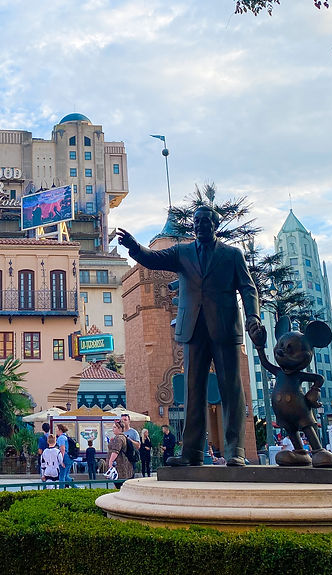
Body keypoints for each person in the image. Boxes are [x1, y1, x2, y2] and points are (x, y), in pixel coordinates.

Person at [118, 207, 261, 466]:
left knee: (231, 390)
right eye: (196, 222)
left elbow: (248, 288)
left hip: (225, 328)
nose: (200, 226)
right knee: (193, 390)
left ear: (214, 225)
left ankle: (235, 451)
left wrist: (253, 316)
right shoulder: (182, 252)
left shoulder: (232, 255)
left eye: (205, 222)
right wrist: (134, 247)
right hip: (194, 328)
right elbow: (153, 258)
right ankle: (191, 453)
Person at [106, 420, 133, 488]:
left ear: (120, 428)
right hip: (123, 466)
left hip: (119, 467)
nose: (113, 429)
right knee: (119, 486)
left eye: (115, 427)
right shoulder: (123, 437)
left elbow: (115, 451)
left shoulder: (118, 438)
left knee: (119, 485)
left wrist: (110, 462)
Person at [55, 423, 76, 488]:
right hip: (69, 458)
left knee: (62, 476)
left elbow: (62, 449)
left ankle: (62, 490)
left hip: (65, 458)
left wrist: (61, 461)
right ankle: (75, 487)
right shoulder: (66, 436)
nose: (56, 431)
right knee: (66, 476)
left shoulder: (61, 438)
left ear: (60, 430)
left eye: (56, 429)